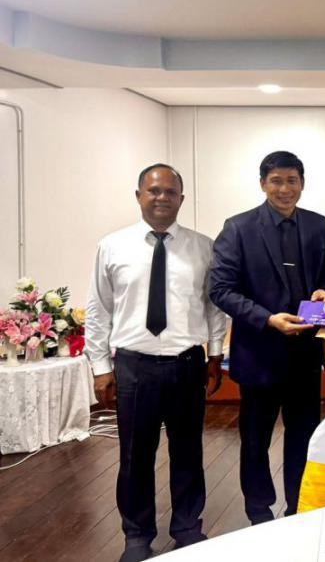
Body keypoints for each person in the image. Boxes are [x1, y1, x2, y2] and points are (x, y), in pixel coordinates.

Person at [86, 164, 226, 562]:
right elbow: (98, 309)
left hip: (187, 364)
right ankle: (137, 535)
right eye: (153, 191)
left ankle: (187, 528)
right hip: (134, 366)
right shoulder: (112, 246)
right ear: (139, 196)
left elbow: (214, 306)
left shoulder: (203, 247)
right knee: (134, 455)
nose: (162, 197)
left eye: (170, 192)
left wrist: (215, 354)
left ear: (182, 198)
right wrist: (101, 367)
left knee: (188, 451)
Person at [209, 151, 325, 523]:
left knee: (304, 436)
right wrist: (267, 319)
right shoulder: (238, 227)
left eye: (292, 181)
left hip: (305, 353)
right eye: (276, 181)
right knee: (255, 439)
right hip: (259, 353)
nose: (284, 189)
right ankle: (259, 511)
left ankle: (299, 507)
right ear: (263, 184)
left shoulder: (317, 225)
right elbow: (221, 289)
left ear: (302, 183)